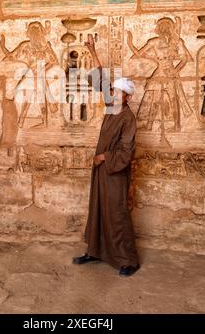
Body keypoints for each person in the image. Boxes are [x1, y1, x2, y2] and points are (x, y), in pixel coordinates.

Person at [73, 34, 139, 277]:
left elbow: (126, 152)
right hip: (102, 171)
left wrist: (103, 158)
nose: (113, 93)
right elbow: (101, 81)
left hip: (114, 172)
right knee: (98, 209)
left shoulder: (128, 118)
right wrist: (92, 50)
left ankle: (128, 260)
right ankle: (95, 251)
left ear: (127, 96)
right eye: (113, 90)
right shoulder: (112, 107)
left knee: (117, 214)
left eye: (118, 91)